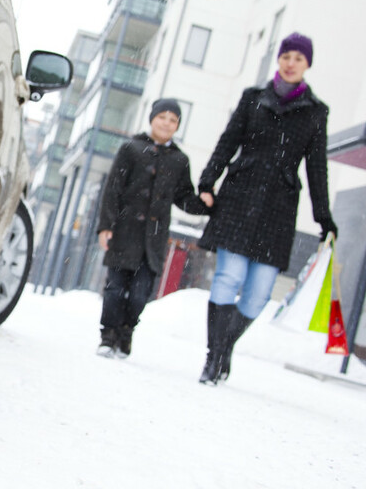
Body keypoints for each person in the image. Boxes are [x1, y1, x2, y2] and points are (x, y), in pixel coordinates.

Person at [196, 32, 337, 385]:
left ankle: (224, 346)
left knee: (259, 293)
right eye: (286, 56)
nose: (290, 63)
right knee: (229, 277)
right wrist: (207, 181)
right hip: (240, 195)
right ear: (279, 59)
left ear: (307, 65)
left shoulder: (316, 113)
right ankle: (213, 359)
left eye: (298, 59)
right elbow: (228, 141)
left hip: (279, 205)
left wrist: (324, 219)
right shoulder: (253, 99)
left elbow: (317, 168)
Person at [96, 98, 209, 358]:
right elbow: (113, 189)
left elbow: (184, 197)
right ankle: (108, 335)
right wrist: (106, 226)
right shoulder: (131, 149)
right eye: (163, 117)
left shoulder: (180, 160)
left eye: (173, 120)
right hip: (124, 233)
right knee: (114, 289)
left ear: (178, 125)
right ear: (152, 119)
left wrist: (205, 205)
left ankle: (126, 332)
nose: (167, 123)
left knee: (140, 293)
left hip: (153, 240)